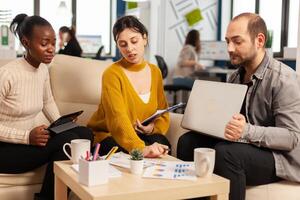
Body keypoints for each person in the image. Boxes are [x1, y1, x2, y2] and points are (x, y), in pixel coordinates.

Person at [177, 13, 300, 200]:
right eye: (227, 41)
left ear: (259, 41)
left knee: (227, 153)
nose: (229, 48)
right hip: (247, 146)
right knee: (188, 142)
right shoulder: (235, 77)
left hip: (279, 158)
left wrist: (246, 131)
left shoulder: (284, 79)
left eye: (237, 41)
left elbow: (291, 137)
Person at [0, 14, 93, 200]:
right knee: (67, 141)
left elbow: (47, 101)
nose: (51, 49)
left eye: (53, 43)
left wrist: (61, 122)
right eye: (44, 43)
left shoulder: (42, 69)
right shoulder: (7, 74)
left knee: (84, 134)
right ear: (26, 43)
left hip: (28, 144)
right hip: (5, 149)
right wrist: (26, 136)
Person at [88, 15, 171, 158]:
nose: (130, 49)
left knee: (162, 143)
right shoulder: (112, 74)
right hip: (110, 135)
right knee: (124, 152)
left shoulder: (155, 72)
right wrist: (140, 148)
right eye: (123, 44)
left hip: (140, 134)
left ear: (144, 38)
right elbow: (117, 119)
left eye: (134, 41)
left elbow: (162, 110)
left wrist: (152, 128)